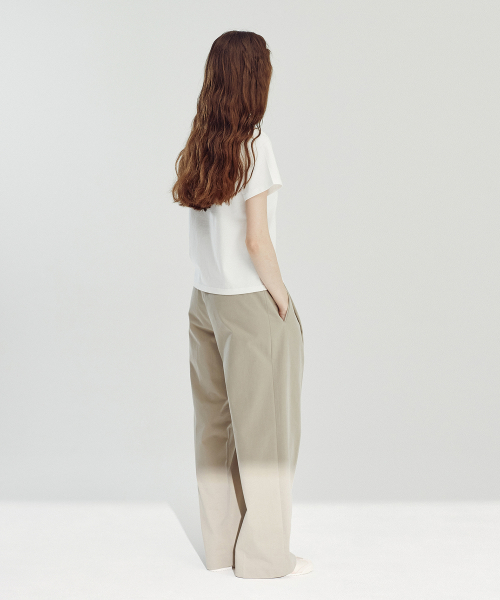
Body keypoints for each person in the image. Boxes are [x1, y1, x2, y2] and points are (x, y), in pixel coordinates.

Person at [171, 30, 312, 580]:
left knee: (214, 427)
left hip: (204, 300)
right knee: (266, 434)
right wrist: (284, 300)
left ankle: (222, 548)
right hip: (249, 304)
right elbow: (257, 241)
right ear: (255, 80)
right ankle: (265, 559)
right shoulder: (255, 145)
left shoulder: (201, 143)